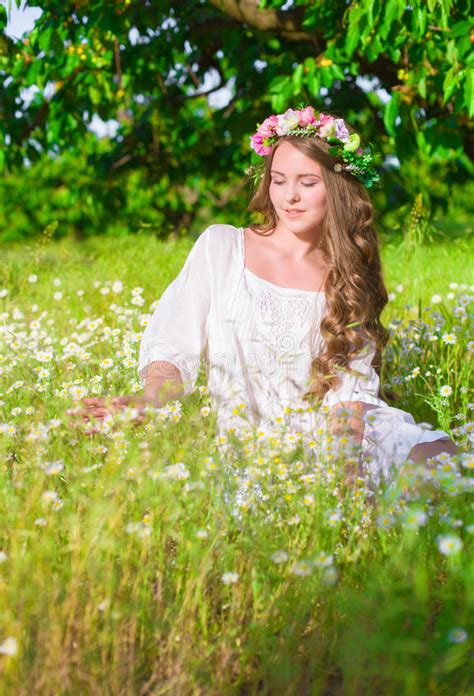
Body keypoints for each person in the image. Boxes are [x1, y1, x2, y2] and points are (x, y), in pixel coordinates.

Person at [70, 106, 458, 483]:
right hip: (257, 454)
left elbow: (349, 399)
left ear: (337, 189)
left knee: (448, 467)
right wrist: (150, 400)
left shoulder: (349, 275)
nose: (290, 196)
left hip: (342, 442)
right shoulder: (221, 248)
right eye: (278, 179)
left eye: (308, 182)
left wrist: (347, 479)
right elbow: (173, 346)